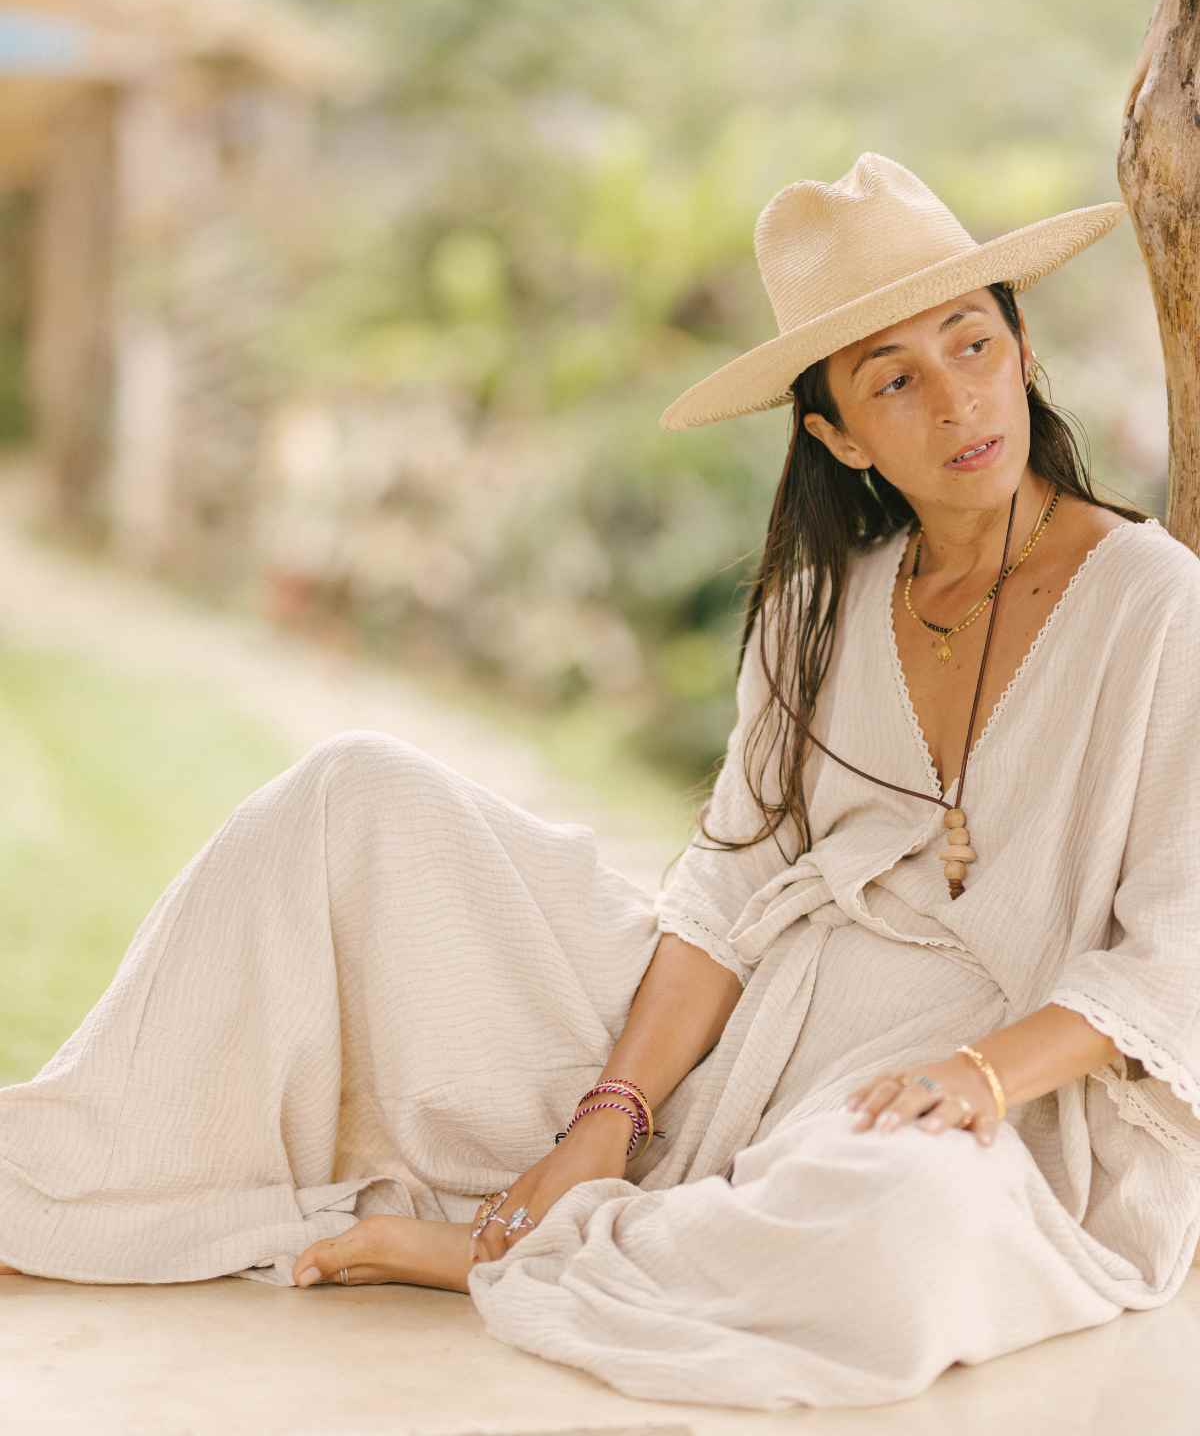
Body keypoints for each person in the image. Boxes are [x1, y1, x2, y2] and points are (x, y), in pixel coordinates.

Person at [2, 152, 1198, 1415]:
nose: (957, 402)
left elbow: (1184, 947)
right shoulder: (819, 611)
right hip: (743, 1051)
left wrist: (979, 1081)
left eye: (972, 345)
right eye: (894, 378)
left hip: (969, 1100)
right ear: (837, 435)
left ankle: (501, 1255)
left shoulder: (1158, 604)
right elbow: (729, 892)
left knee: (903, 1227)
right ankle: (62, 1175)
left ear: (1021, 347)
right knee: (354, 798)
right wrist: (608, 1118)